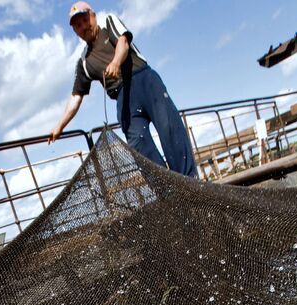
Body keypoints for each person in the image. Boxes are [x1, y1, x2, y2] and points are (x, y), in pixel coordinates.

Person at [48, 1, 198, 178]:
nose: (83, 27)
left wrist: (116, 62)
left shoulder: (109, 22)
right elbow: (76, 96)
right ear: (75, 31)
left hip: (144, 81)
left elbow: (123, 42)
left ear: (93, 16)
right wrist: (59, 126)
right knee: (137, 142)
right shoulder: (84, 62)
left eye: (84, 20)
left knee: (169, 127)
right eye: (77, 25)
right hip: (123, 97)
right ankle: (168, 190)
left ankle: (191, 180)